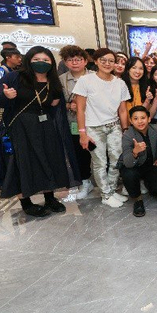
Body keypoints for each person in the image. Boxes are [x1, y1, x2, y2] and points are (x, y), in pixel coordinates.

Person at [0, 45, 80, 216]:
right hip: (20, 129)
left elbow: (54, 105)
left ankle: (50, 198)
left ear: (51, 63)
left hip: (45, 127)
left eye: (46, 60)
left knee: (49, 160)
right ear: (28, 61)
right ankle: (26, 203)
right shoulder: (14, 77)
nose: (41, 62)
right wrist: (6, 96)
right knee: (21, 163)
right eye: (37, 59)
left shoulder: (53, 81)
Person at [74, 48, 131, 208]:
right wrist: (82, 133)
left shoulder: (120, 83)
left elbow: (123, 110)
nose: (107, 63)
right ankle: (105, 194)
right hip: (93, 128)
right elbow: (80, 109)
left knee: (116, 160)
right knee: (100, 162)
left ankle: (111, 190)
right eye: (103, 60)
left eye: (111, 61)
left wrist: (125, 129)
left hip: (114, 126)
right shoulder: (85, 81)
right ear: (96, 61)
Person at [118, 106, 157, 217]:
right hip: (133, 166)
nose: (140, 121)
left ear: (149, 119)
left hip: (151, 165)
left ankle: (144, 183)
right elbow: (128, 163)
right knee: (129, 174)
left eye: (143, 118)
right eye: (135, 119)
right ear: (131, 121)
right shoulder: (128, 135)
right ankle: (137, 199)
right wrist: (135, 152)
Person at [58, 45, 94, 199]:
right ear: (65, 62)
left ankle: (105, 181)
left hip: (95, 121)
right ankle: (85, 182)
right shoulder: (61, 80)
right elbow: (57, 102)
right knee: (80, 154)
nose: (75, 63)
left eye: (78, 59)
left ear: (85, 61)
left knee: (100, 152)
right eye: (70, 60)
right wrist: (69, 105)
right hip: (73, 122)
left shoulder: (95, 76)